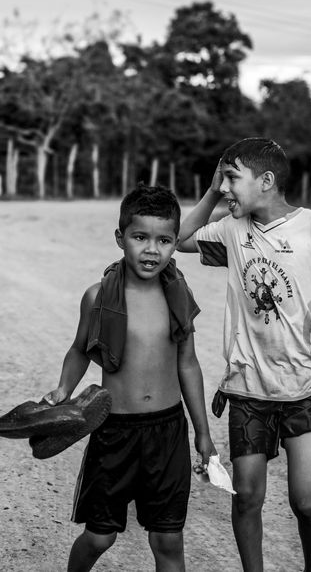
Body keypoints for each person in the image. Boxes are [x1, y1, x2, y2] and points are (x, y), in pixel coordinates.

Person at [177, 137, 311, 572]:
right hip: (248, 389)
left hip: (306, 388)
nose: (227, 188)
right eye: (224, 179)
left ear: (266, 181)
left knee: (306, 502)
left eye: (233, 178)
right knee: (247, 496)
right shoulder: (233, 230)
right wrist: (214, 190)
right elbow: (181, 238)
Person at [42, 184, 216, 572]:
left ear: (174, 243)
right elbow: (79, 349)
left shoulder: (177, 294)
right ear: (121, 238)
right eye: (140, 237)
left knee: (168, 540)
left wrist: (202, 433)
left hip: (168, 431)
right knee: (99, 536)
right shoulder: (99, 296)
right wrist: (63, 389)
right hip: (115, 430)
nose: (152, 250)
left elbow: (188, 363)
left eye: (164, 240)